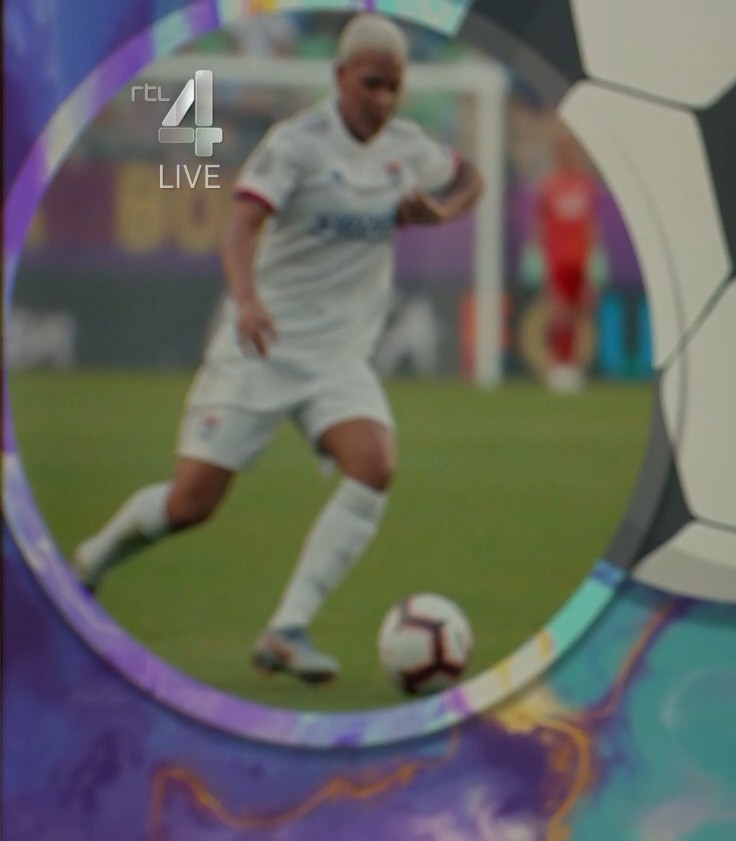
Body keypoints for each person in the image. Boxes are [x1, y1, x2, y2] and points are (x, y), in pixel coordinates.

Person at [71, 13, 485, 683]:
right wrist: (247, 301)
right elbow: (240, 226)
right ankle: (93, 558)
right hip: (261, 346)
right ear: (340, 76)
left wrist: (443, 212)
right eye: (372, 84)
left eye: (394, 87)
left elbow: (471, 178)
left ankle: (287, 630)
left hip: (337, 358)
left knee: (374, 464)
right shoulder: (296, 144)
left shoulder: (408, 147)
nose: (383, 99)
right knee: (190, 505)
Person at [536, 129, 597, 393]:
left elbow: (591, 225)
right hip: (557, 259)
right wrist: (539, 255)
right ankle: (559, 364)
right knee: (560, 312)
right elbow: (541, 224)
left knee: (577, 313)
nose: (567, 156)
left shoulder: (585, 185)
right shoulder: (550, 185)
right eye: (563, 151)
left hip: (580, 259)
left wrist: (596, 256)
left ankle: (571, 364)